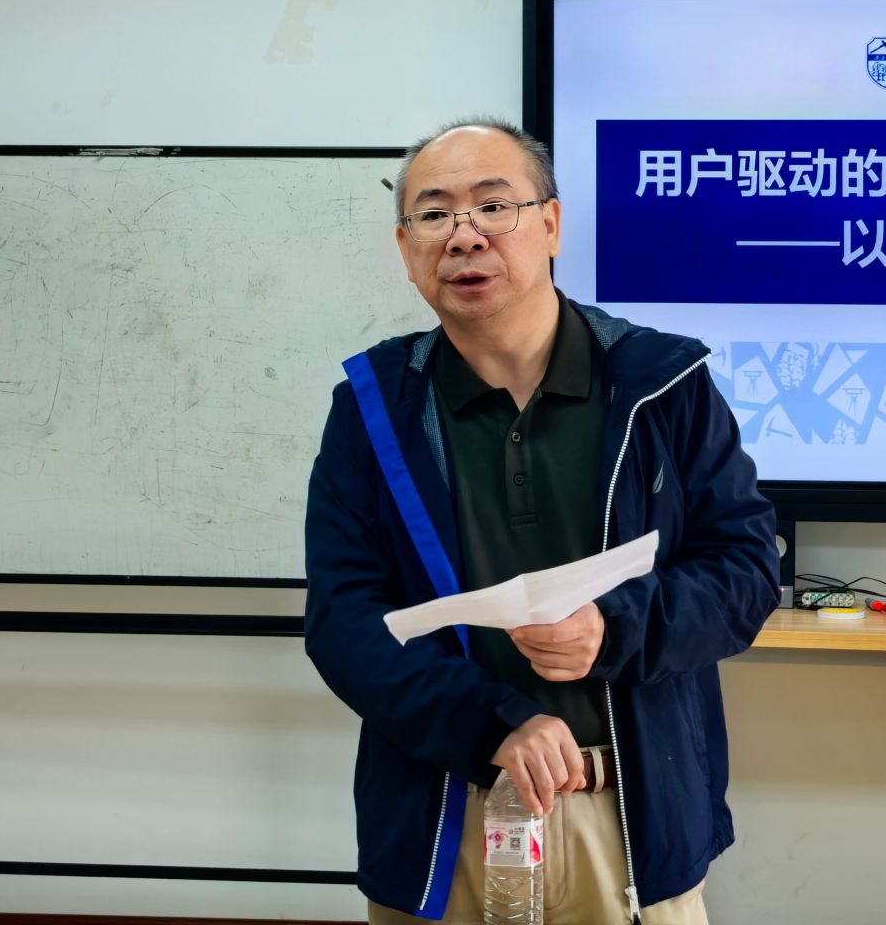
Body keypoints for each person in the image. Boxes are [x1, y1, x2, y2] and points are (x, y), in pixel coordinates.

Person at [305, 118, 780, 924]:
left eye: (495, 206)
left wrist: (614, 629)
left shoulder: (662, 385)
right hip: (444, 816)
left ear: (551, 224)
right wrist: (492, 724)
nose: (465, 237)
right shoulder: (374, 408)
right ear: (407, 248)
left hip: (626, 819)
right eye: (435, 214)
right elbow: (345, 622)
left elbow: (745, 571)